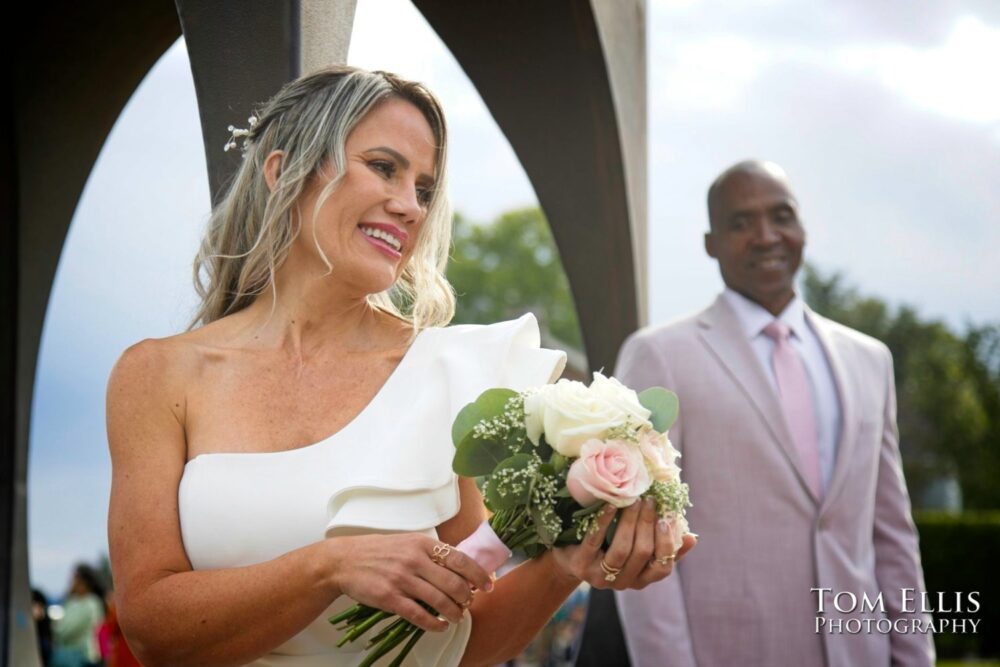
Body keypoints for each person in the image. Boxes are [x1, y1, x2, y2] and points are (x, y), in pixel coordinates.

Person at [105, 65, 694, 667]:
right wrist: (329, 566)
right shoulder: (159, 377)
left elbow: (465, 639)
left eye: (424, 189)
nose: (410, 207)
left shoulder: (450, 374)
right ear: (284, 172)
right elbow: (150, 628)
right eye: (384, 168)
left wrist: (568, 566)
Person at [612, 160, 935, 666]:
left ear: (802, 228)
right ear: (710, 243)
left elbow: (892, 531)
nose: (766, 236)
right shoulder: (660, 356)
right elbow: (641, 541)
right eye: (740, 223)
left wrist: (915, 655)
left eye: (781, 216)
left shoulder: (870, 360)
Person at [51, 564, 107, 667]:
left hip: (83, 657)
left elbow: (67, 630)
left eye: (75, 577)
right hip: (71, 657)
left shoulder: (91, 603)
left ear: (84, 582)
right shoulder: (72, 601)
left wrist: (57, 630)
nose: (71, 581)